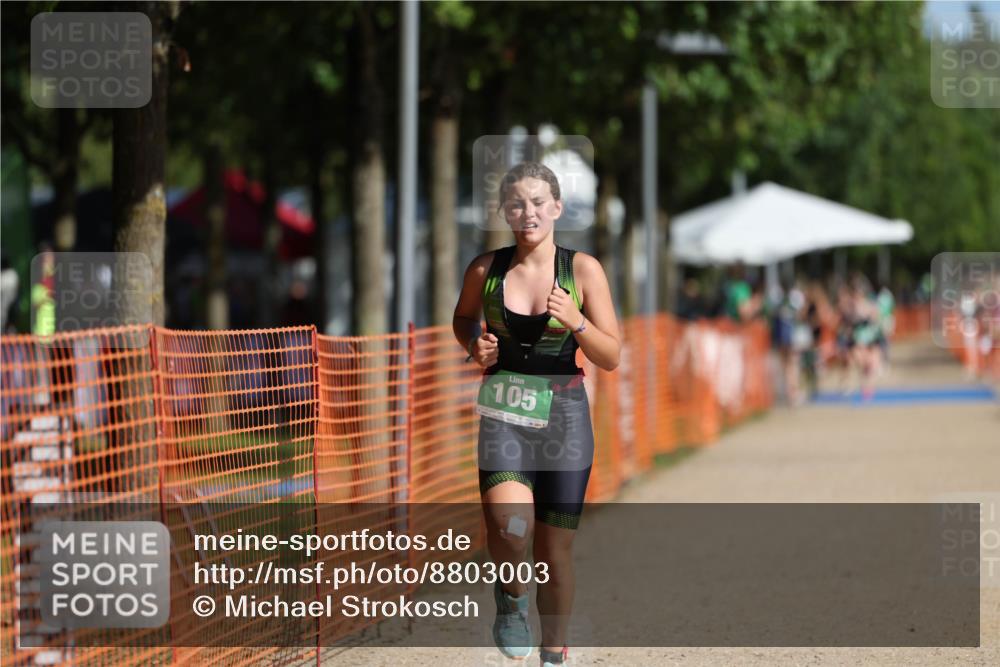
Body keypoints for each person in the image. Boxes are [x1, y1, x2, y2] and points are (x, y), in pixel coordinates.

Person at [453, 162, 620, 666]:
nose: (528, 213)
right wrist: (474, 344)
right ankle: (512, 597)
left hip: (565, 416)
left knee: (553, 552)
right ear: (505, 211)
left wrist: (577, 321)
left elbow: (611, 355)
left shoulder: (583, 270)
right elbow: (463, 318)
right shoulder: (486, 270)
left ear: (556, 208)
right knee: (509, 527)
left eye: (537, 202)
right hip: (505, 411)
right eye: (517, 204)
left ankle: (554, 652)